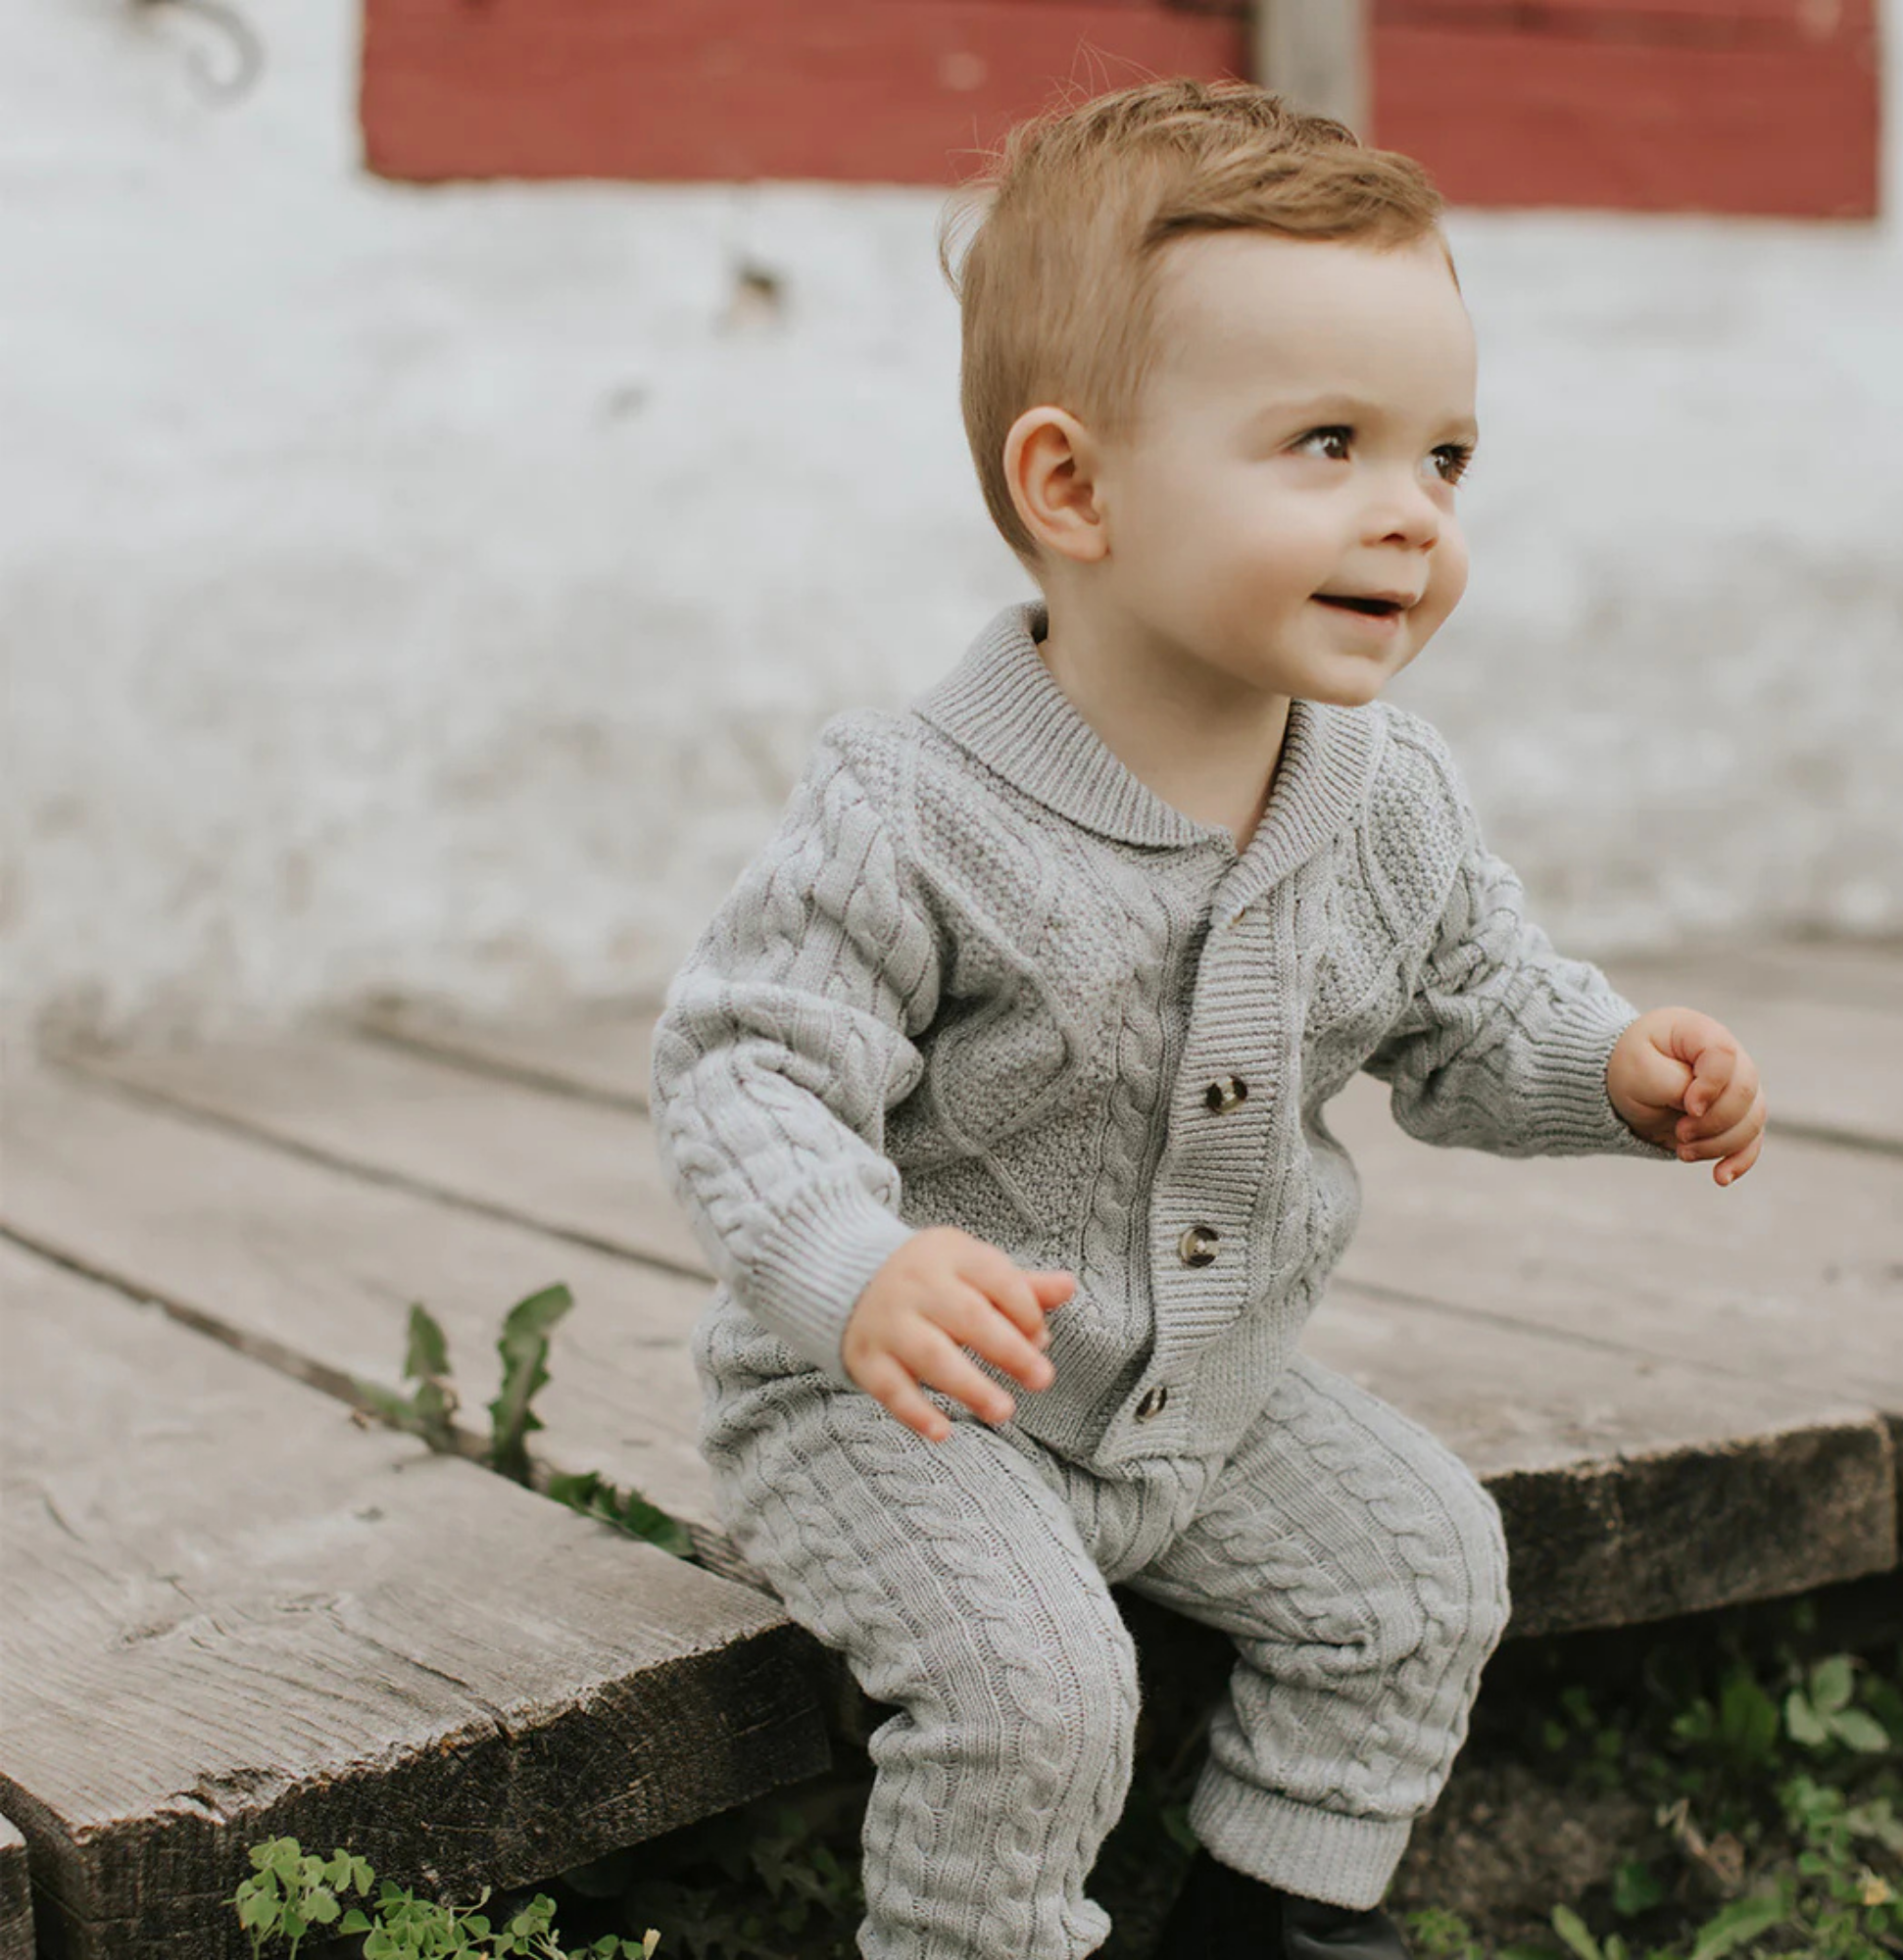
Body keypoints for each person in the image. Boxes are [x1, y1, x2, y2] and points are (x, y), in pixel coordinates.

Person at [648, 75, 1769, 1960]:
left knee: (1423, 1573)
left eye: (1445, 458)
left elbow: (1472, 1009)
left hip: (1199, 1398)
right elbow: (746, 1062)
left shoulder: (1385, 796)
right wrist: (855, 1266)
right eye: (1329, 444)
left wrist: (1610, 1069)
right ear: (1073, 488)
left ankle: (1275, 1927)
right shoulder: (913, 809)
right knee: (1039, 1702)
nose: (1410, 516)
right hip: (901, 1401)